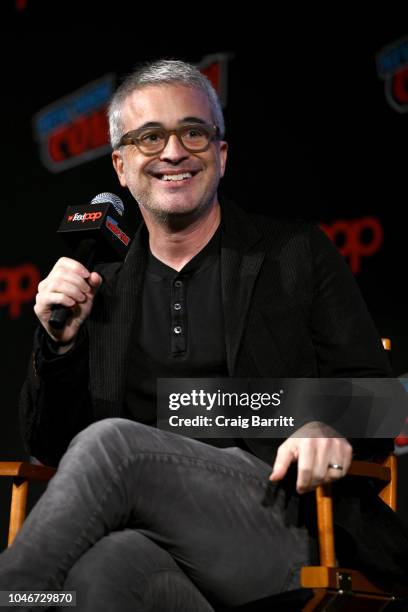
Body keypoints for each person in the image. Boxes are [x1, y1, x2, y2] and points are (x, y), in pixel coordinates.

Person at [1, 59, 407, 611]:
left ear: (220, 154)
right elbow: (50, 447)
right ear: (120, 166)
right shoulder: (105, 290)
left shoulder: (293, 256)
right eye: (149, 138)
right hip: (157, 547)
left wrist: (323, 422)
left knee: (113, 444)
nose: (173, 152)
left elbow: (382, 403)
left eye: (192, 132)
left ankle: (11, 597)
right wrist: (61, 345)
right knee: (101, 575)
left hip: (286, 526)